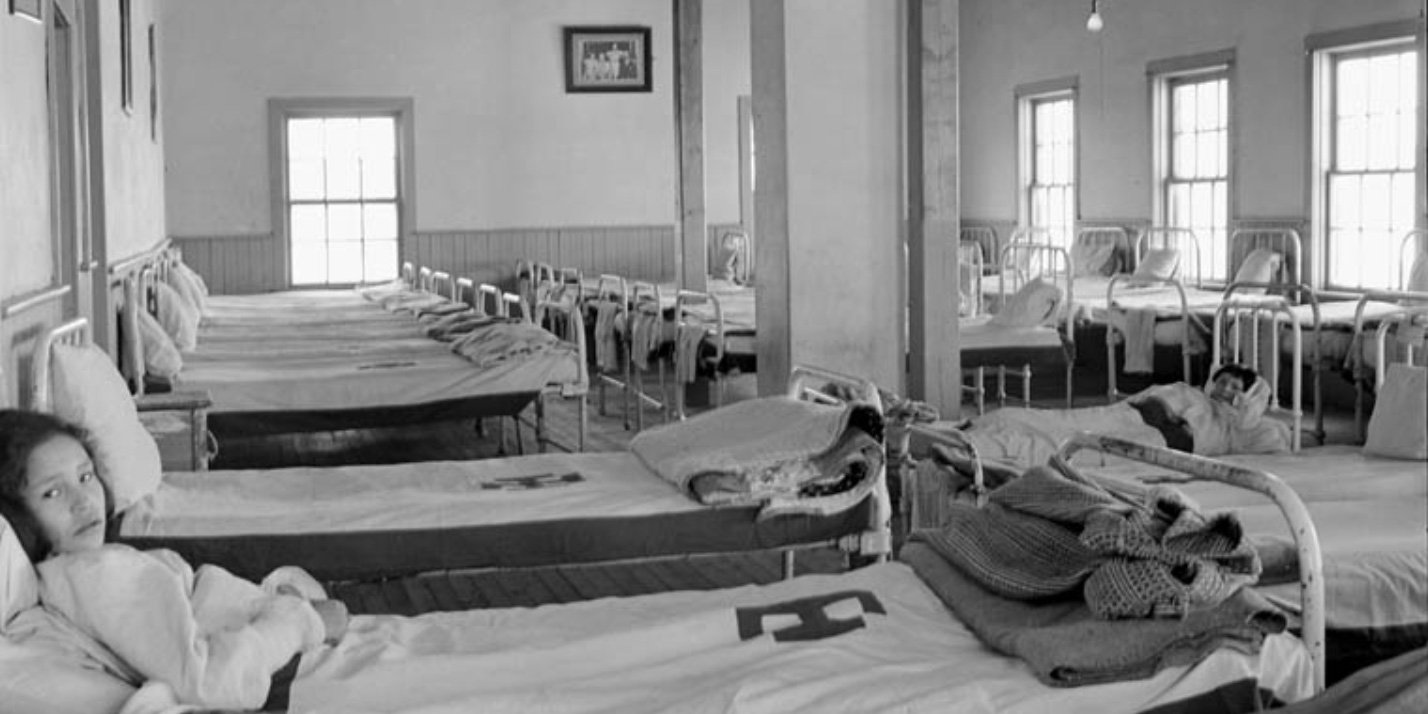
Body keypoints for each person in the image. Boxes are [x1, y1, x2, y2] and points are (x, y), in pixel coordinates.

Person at [0, 409, 348, 711]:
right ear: (14, 514)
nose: (84, 501)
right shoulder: (93, 572)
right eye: (53, 492)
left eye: (85, 476)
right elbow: (209, 680)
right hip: (283, 656)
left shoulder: (68, 577)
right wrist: (303, 621)